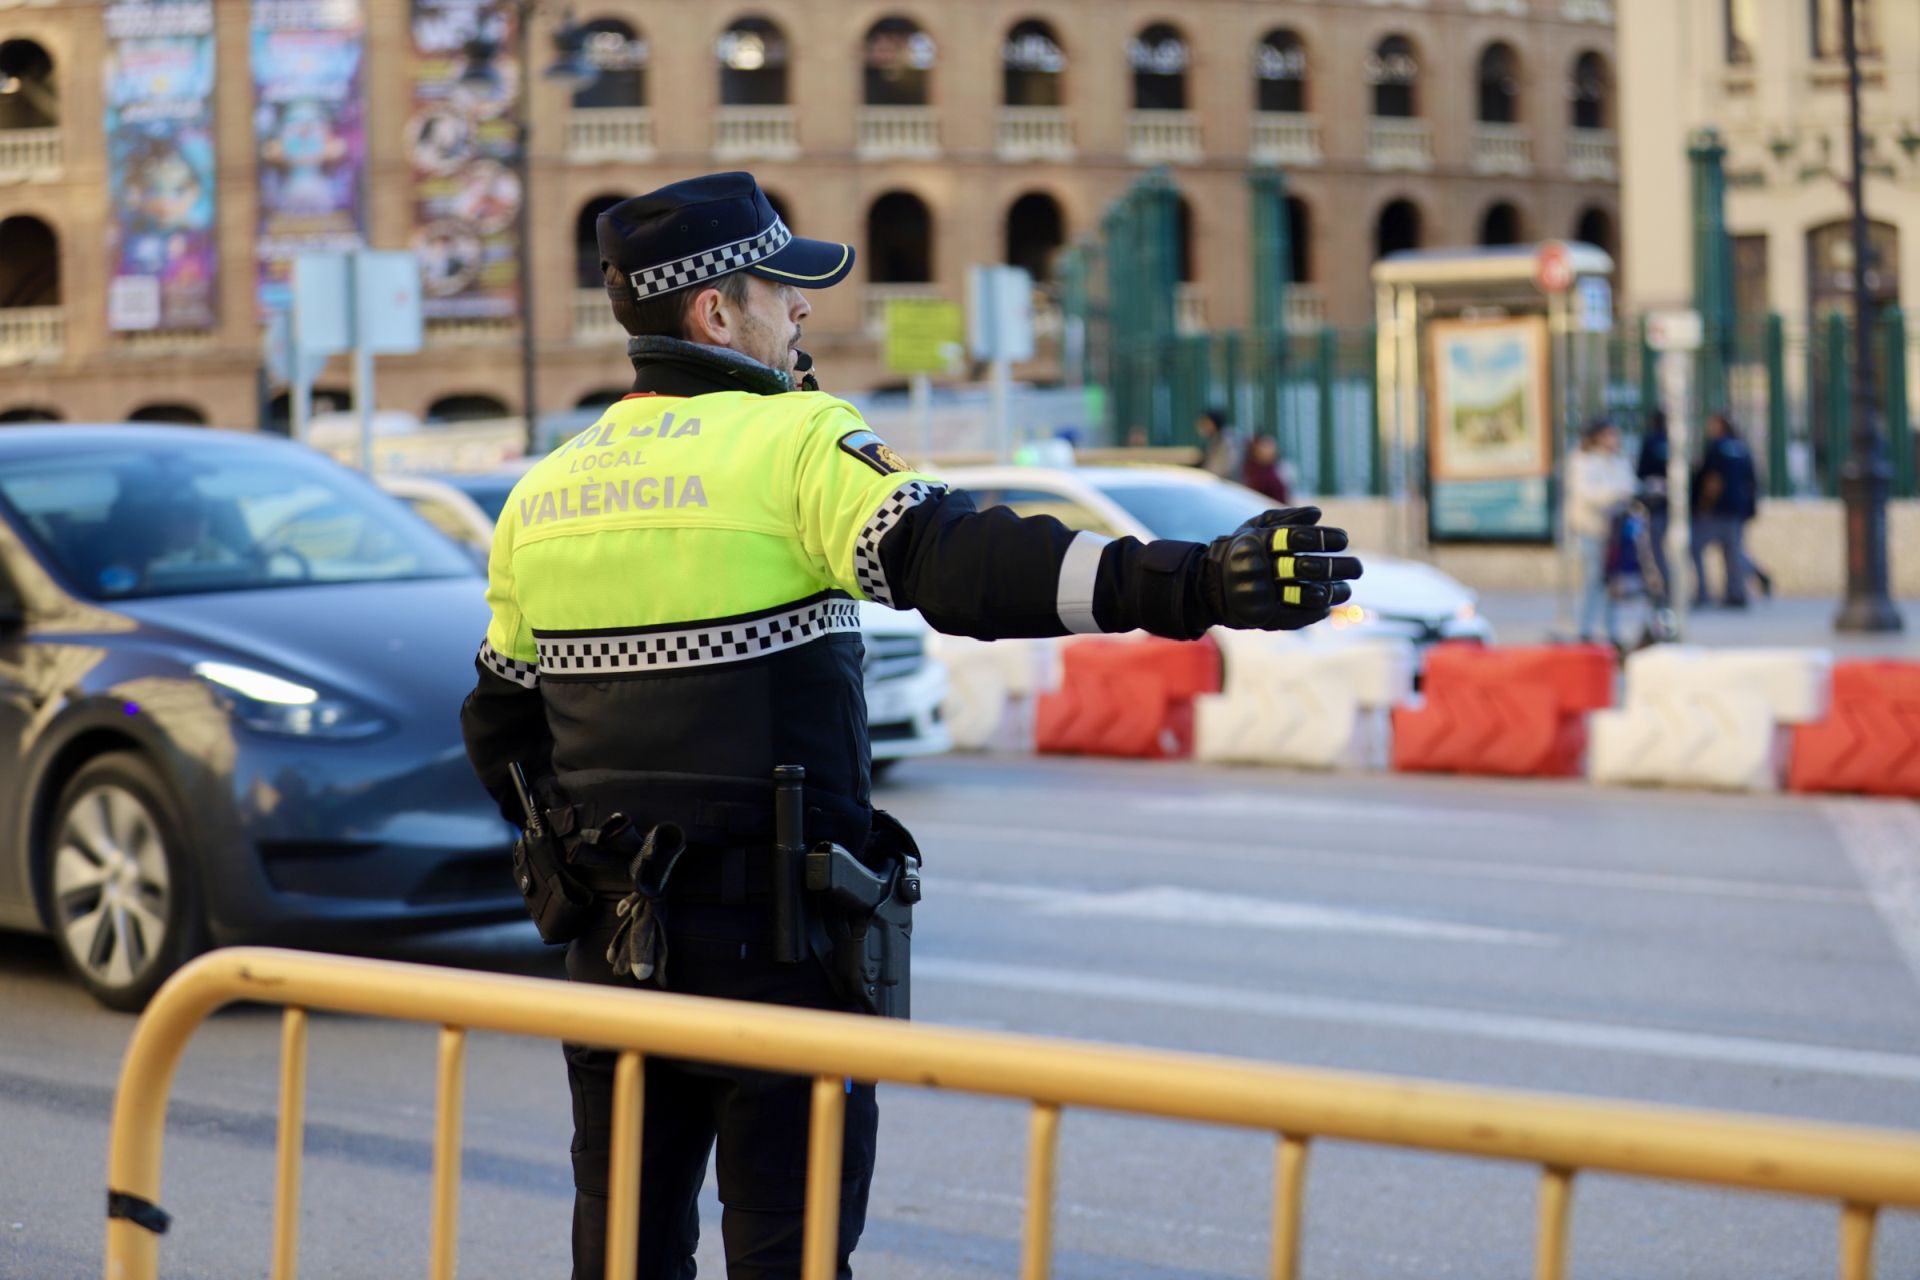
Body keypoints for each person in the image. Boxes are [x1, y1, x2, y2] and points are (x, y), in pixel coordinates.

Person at [457, 172, 1364, 1280]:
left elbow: (500, 721)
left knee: (622, 1255)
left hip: (611, 953)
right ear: (712, 313)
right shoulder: (791, 442)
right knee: (791, 1259)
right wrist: (1190, 583)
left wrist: (570, 865)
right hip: (779, 957)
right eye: (781, 288)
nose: (802, 310)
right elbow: (964, 563)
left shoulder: (544, 493)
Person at [1567, 418, 1635, 644]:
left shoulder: (1619, 461)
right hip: (1591, 530)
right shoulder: (1583, 461)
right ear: (1597, 437)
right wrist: (1615, 495)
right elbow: (1587, 494)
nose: (1614, 440)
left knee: (1613, 583)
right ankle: (1585, 631)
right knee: (1592, 581)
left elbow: (1629, 487)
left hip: (1615, 532)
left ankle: (1612, 632)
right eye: (1609, 435)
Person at [1690, 411, 1769, 607]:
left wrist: (1703, 506)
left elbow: (1712, 481)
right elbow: (1752, 481)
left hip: (1716, 510)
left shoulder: (1716, 447)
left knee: (1695, 546)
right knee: (1733, 551)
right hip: (1737, 510)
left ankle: (1703, 592)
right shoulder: (1742, 447)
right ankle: (1737, 593)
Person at [1194, 406, 1246, 479]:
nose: (1202, 427)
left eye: (1205, 423)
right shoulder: (1216, 439)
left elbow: (1225, 467)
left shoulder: (1229, 439)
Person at [1241, 434, 1293, 504]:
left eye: (1271, 446)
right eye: (1265, 447)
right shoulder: (1254, 472)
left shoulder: (1276, 467)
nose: (1270, 450)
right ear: (1256, 450)